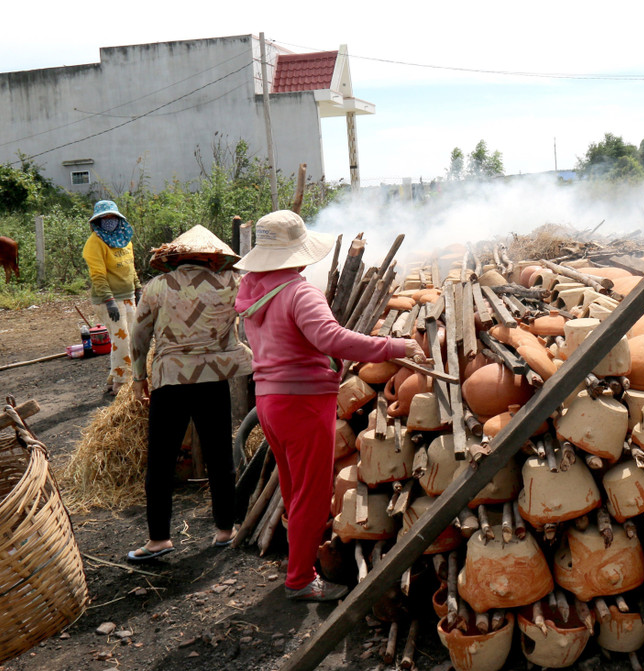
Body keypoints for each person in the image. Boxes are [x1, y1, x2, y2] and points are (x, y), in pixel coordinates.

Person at [234, 210, 423, 601]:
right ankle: (300, 581)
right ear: (297, 254)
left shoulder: (252, 290)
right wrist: (395, 346)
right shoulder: (299, 292)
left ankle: (298, 564)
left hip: (270, 401)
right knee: (313, 496)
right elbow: (332, 339)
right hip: (302, 403)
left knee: (294, 489)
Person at [126, 225, 253, 562]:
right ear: (212, 257)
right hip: (214, 378)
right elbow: (252, 317)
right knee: (220, 455)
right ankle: (226, 530)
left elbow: (138, 336)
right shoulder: (232, 283)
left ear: (175, 258)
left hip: (171, 380)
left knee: (161, 459)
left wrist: (138, 377)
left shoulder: (156, 287)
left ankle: (158, 540)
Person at [82, 200, 142, 396]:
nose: (109, 221)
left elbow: (130, 266)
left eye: (112, 217)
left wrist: (138, 289)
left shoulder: (124, 238)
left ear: (118, 219)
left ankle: (115, 376)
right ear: (97, 221)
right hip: (109, 300)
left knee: (132, 338)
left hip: (128, 296)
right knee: (121, 340)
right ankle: (121, 384)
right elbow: (98, 275)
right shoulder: (95, 243)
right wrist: (109, 301)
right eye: (104, 218)